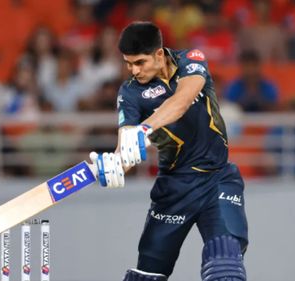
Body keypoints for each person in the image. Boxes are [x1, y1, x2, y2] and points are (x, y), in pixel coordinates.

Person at [88, 22, 248, 281]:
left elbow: (182, 100)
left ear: (159, 54)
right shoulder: (129, 93)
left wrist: (145, 127)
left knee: (225, 267)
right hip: (174, 188)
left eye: (139, 62)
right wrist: (115, 167)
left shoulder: (191, 60)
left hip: (217, 179)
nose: (133, 70)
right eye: (128, 63)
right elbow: (126, 146)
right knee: (147, 276)